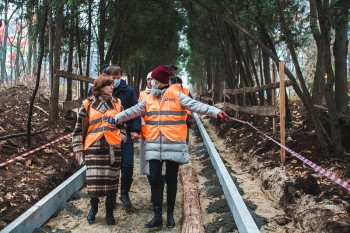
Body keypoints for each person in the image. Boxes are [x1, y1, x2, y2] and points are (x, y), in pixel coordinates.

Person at [108, 65, 229, 229]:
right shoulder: (148, 99)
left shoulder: (177, 95)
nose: (151, 83)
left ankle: (170, 215)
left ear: (160, 81)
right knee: (155, 179)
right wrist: (117, 118)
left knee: (171, 180)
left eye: (154, 80)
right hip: (153, 145)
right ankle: (158, 216)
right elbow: (133, 111)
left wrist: (216, 112)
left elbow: (196, 105)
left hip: (173, 144)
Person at [72, 74, 127, 225]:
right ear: (100, 87)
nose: (112, 87)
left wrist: (122, 137)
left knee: (112, 182)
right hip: (93, 148)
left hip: (112, 148)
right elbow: (78, 129)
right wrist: (78, 148)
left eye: (112, 85)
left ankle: (109, 212)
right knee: (93, 182)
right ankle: (93, 209)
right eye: (109, 85)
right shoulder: (87, 104)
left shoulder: (117, 103)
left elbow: (123, 125)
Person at [104, 65, 141, 211]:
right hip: (106, 135)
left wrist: (136, 129)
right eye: (113, 78)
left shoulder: (129, 91)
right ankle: (110, 198)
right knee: (111, 167)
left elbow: (136, 111)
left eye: (118, 78)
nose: (116, 81)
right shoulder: (99, 91)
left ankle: (124, 194)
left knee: (128, 164)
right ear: (106, 77)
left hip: (125, 135)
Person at [139, 72, 166, 203]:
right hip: (146, 136)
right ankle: (155, 190)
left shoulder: (164, 94)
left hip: (163, 136)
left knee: (163, 168)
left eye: (152, 79)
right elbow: (137, 113)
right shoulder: (142, 95)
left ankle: (159, 192)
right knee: (148, 168)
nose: (150, 81)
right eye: (148, 79)